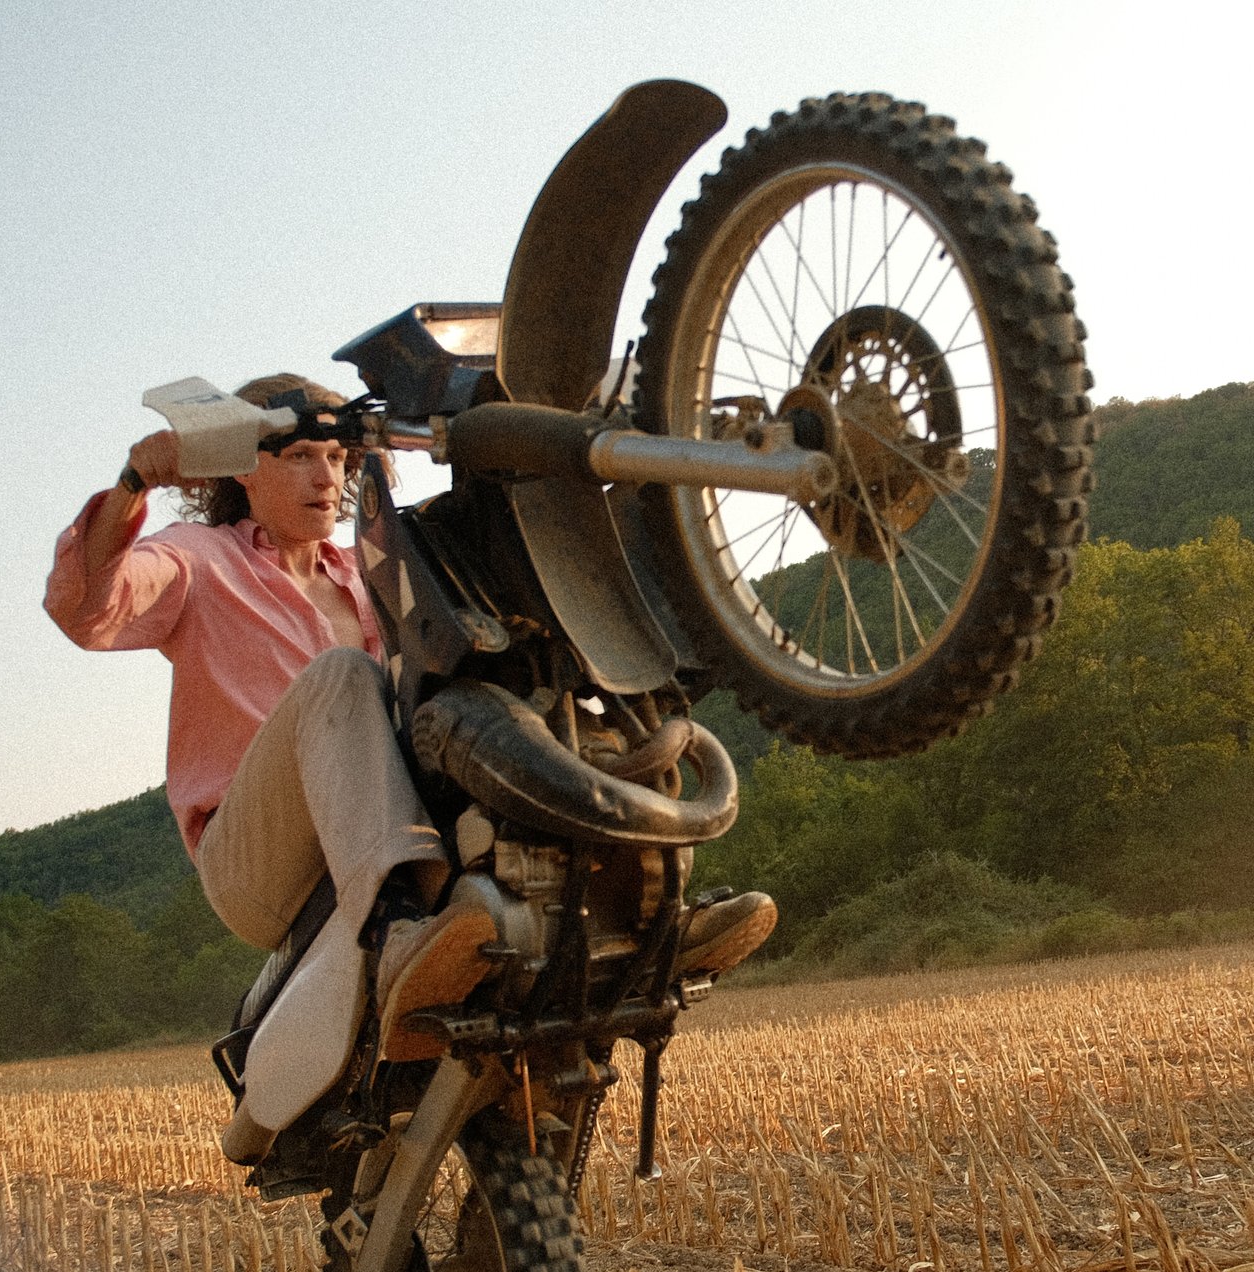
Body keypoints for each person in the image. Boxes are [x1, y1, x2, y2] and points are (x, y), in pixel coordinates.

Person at [45, 373, 773, 1164]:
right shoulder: (199, 559)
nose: (326, 476)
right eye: (299, 456)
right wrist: (134, 483)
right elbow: (87, 606)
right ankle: (395, 931)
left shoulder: (369, 570)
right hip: (261, 862)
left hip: (383, 823)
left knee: (502, 665)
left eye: (337, 457)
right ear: (243, 468)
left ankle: (643, 909)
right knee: (343, 675)